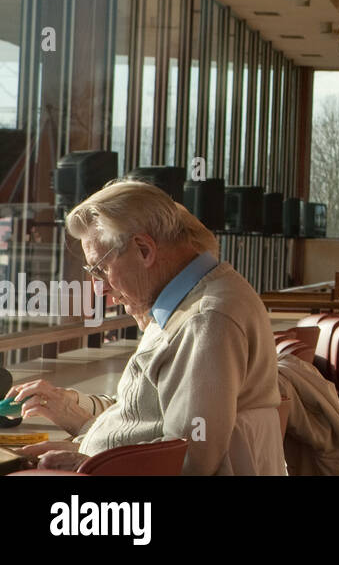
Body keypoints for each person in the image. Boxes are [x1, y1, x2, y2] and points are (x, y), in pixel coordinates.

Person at [14, 180, 285, 474]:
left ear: (144, 250)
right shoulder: (191, 304)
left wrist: (90, 464)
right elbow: (148, 418)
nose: (98, 288)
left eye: (100, 269)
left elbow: (188, 457)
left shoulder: (205, 319)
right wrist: (81, 443)